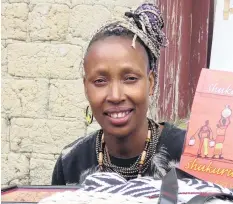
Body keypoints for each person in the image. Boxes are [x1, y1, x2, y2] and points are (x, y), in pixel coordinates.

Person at [52, 3, 191, 185]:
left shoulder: (189, 155)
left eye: (130, 78)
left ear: (151, 83)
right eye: (100, 81)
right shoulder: (70, 163)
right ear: (86, 88)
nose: (116, 96)